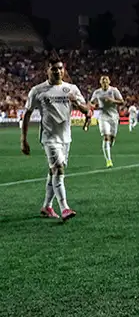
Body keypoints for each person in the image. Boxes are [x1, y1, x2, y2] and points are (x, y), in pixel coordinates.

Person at [20, 58, 93, 222]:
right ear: (48, 70)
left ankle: (46, 206)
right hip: (49, 137)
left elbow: (87, 111)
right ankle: (65, 208)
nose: (57, 71)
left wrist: (77, 103)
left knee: (53, 172)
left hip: (66, 138)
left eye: (60, 69)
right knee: (58, 169)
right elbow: (27, 114)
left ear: (63, 70)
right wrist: (23, 139)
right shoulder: (38, 90)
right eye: (54, 69)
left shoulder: (71, 89)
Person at [89, 76, 126, 168]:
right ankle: (108, 160)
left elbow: (122, 102)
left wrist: (112, 100)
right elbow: (91, 102)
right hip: (102, 116)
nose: (104, 83)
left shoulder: (114, 90)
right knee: (106, 136)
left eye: (106, 81)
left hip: (113, 116)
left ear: (109, 82)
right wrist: (94, 105)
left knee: (112, 138)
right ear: (100, 82)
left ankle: (108, 147)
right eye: (103, 81)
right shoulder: (97, 92)